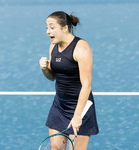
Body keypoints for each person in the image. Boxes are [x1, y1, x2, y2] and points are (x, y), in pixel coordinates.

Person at [39, 11, 99, 150]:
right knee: (56, 148)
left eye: (52, 27)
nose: (48, 31)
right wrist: (44, 70)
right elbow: (52, 77)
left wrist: (77, 116)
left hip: (80, 106)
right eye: (47, 27)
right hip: (60, 105)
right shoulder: (53, 46)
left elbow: (86, 85)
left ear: (65, 28)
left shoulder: (81, 48)